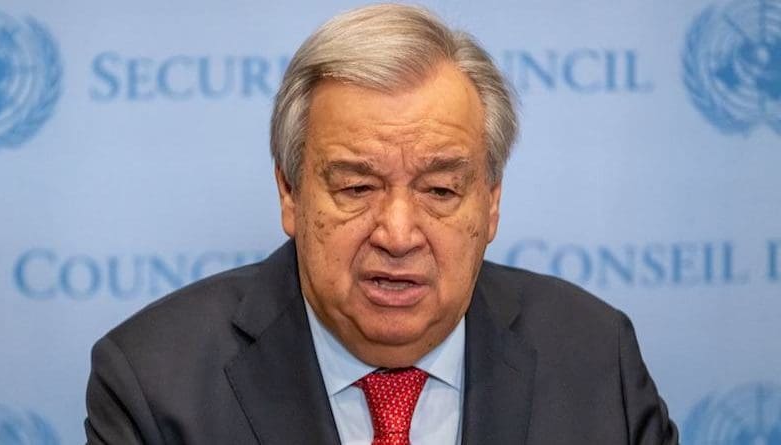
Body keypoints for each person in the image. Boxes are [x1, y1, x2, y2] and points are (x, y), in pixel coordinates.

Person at [85, 4, 678, 444]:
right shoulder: (154, 384)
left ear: (492, 202)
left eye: (441, 189)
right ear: (290, 193)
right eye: (356, 187)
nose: (397, 234)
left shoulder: (597, 358)